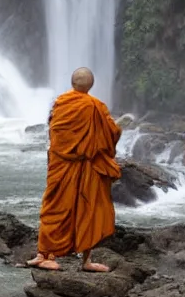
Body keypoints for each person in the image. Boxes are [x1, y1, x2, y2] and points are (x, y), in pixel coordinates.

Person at [26, 67, 123, 272]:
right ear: (91, 85)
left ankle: (44, 254)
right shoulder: (96, 107)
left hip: (64, 165)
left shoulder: (60, 104)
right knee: (89, 208)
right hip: (85, 164)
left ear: (72, 83)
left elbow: (54, 134)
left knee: (55, 208)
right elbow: (112, 132)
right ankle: (83, 260)